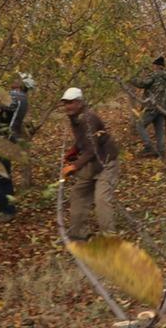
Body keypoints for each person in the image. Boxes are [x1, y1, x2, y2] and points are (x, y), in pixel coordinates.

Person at [60, 87, 119, 241]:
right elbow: (83, 140)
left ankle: (109, 237)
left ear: (79, 103)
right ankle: (78, 231)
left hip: (106, 162)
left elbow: (92, 149)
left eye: (71, 103)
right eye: (65, 103)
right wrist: (73, 150)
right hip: (93, 163)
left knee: (101, 199)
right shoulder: (74, 117)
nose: (67, 106)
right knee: (78, 193)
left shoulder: (88, 118)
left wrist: (73, 166)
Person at [0, 73, 33, 221]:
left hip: (3, 143)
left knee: (0, 179)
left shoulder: (19, 97)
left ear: (23, 85)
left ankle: (8, 210)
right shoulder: (15, 96)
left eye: (18, 79)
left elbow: (0, 102)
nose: (14, 81)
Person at [129, 56, 166, 158]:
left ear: (157, 66)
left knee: (139, 124)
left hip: (152, 106)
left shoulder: (154, 75)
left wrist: (131, 78)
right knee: (159, 132)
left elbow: (143, 83)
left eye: (154, 65)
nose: (153, 67)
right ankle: (162, 156)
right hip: (163, 109)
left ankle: (148, 147)